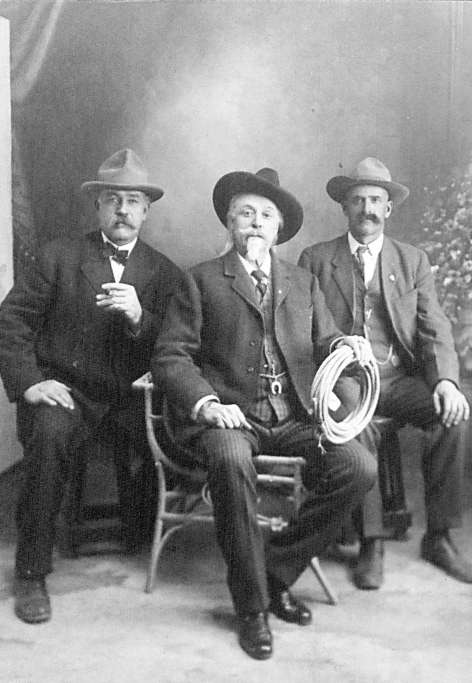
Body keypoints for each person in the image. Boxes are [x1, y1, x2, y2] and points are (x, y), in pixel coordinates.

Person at [152, 167, 376, 660]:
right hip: (232, 417)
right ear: (230, 223)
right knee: (231, 462)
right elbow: (171, 355)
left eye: (266, 216)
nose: (256, 223)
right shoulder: (201, 279)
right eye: (246, 214)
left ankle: (273, 574)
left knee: (359, 467)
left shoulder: (302, 280)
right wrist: (207, 403)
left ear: (279, 229)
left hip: (295, 415)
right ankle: (252, 607)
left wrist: (345, 344)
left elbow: (326, 341)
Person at [0, 149, 184, 624]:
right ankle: (32, 572)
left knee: (175, 438)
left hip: (129, 398)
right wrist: (31, 384)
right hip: (67, 391)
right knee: (50, 436)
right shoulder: (59, 257)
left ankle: (142, 533)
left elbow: (183, 344)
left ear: (146, 210)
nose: (123, 210)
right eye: (113, 199)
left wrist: (142, 317)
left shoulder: (164, 273)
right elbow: (11, 324)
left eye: (133, 200)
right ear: (97, 206)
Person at [298, 157, 471, 590]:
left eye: (376, 200)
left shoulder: (412, 260)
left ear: (388, 208)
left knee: (454, 414)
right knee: (358, 417)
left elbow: (435, 329)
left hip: (395, 377)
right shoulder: (317, 259)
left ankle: (441, 535)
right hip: (347, 383)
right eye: (358, 200)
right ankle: (371, 541)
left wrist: (446, 382)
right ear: (344, 208)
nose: (367, 209)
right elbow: (304, 328)